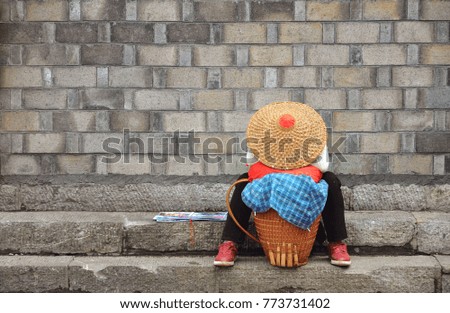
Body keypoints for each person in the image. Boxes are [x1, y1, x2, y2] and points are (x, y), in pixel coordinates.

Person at [214, 126, 352, 268]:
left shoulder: (312, 132)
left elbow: (322, 166)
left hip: (304, 180)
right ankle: (230, 242)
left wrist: (297, 160)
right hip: (269, 177)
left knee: (331, 180)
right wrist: (270, 152)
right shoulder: (263, 133)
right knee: (243, 180)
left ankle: (336, 242)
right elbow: (251, 162)